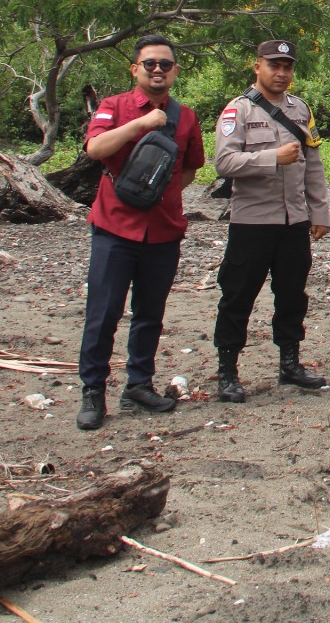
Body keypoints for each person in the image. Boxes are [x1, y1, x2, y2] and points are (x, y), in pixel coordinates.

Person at [76, 34, 206, 431]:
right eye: (150, 64)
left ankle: (138, 385)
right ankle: (93, 391)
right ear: (135, 69)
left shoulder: (186, 117)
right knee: (104, 313)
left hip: (164, 231)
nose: (158, 71)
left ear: (175, 71)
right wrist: (142, 124)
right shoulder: (114, 106)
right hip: (114, 229)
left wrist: (157, 194)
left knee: (150, 314)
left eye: (165, 65)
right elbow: (95, 149)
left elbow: (190, 168)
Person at [211, 39, 330, 402]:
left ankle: (290, 364)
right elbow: (224, 164)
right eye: (274, 65)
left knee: (293, 295)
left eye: (287, 67)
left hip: (293, 221)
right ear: (257, 66)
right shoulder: (238, 112)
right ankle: (228, 371)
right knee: (238, 296)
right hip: (252, 222)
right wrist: (270, 158)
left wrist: (319, 211)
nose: (281, 73)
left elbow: (313, 164)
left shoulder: (300, 110)